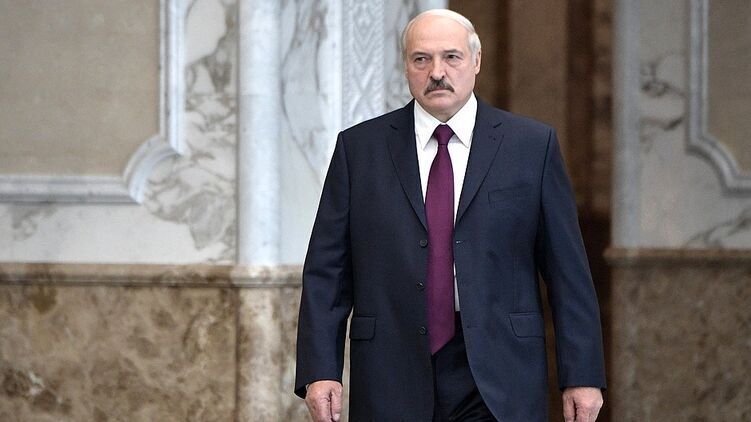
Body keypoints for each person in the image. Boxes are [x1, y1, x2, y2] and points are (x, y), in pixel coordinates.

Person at [295, 8, 606, 422]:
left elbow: (568, 272)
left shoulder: (532, 147)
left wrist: (582, 374)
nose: (437, 72)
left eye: (451, 57)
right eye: (421, 59)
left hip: (500, 372)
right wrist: (320, 370)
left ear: (476, 61)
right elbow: (327, 271)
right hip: (391, 368)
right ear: (405, 67)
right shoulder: (359, 150)